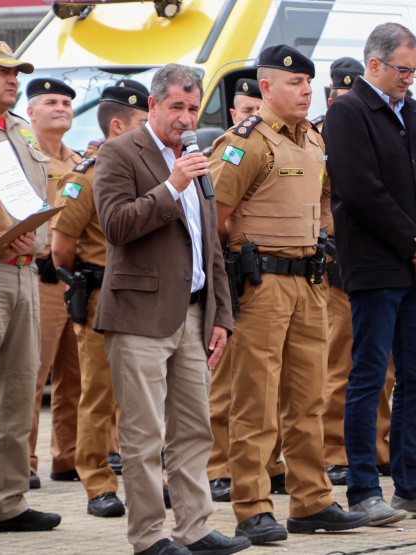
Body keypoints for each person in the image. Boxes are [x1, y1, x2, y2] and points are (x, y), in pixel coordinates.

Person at [209, 45, 368, 542]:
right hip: (262, 285)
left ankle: (312, 501)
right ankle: (253, 507)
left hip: (309, 281)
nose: (306, 91)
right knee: (255, 402)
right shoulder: (246, 142)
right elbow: (213, 221)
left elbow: (326, 202)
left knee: (308, 399)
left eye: (308, 83)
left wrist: (317, 239)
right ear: (266, 87)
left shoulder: (314, 140)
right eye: (294, 83)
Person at [94, 63, 250, 555]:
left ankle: (194, 528)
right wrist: (173, 185)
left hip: (195, 314)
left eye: (193, 108)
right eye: (177, 106)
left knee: (194, 431)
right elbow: (116, 226)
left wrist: (221, 315)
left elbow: (210, 245)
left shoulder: (196, 157)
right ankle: (148, 537)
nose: (186, 117)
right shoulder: (120, 152)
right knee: (143, 436)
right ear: (153, 105)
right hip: (139, 315)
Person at [323, 22, 416, 525]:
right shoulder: (348, 112)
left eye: (414, 70)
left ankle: (412, 486)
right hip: (376, 267)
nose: (409, 78)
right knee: (369, 378)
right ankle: (364, 489)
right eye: (403, 70)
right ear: (375, 64)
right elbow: (360, 192)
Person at [51, 81, 152, 519]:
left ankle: (150, 480)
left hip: (147, 294)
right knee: (98, 395)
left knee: (148, 396)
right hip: (101, 295)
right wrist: (85, 283)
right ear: (118, 126)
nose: (151, 130)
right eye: (143, 122)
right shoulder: (87, 176)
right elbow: (61, 247)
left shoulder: (153, 169)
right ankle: (98, 484)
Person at [0, 38, 62, 534]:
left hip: (25, 270)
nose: (14, 80)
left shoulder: (19, 129)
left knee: (18, 393)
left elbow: (37, 197)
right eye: (3, 71)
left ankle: (4, 503)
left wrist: (35, 237)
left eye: (18, 73)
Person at [206, 76, 288, 505]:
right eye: (245, 110)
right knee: (226, 383)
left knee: (268, 384)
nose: (253, 116)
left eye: (259, 109)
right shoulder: (230, 151)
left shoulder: (279, 146)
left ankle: (270, 464)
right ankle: (218, 467)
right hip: (234, 274)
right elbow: (215, 219)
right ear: (233, 113)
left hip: (269, 277)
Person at [317, 54, 396, 488]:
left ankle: (377, 447)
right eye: (340, 95)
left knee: (383, 366)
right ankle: (336, 450)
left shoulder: (379, 130)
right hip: (338, 265)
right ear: (331, 96)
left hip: (379, 261)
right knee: (343, 363)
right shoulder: (317, 137)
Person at [25, 77, 83, 490]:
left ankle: (68, 457)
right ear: (31, 112)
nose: (61, 107)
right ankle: (22, 462)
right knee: (31, 375)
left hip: (75, 277)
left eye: (65, 102)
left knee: (75, 376)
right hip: (40, 276)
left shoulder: (79, 160)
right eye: (50, 102)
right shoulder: (23, 158)